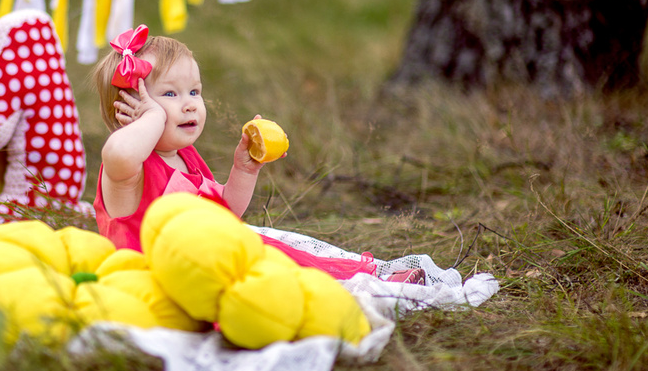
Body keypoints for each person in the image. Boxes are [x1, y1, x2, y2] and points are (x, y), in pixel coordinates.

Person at [91, 25, 425, 284]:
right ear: (127, 110)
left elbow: (226, 211)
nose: (190, 103)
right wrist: (153, 117)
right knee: (269, 274)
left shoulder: (186, 156)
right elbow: (116, 152)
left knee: (286, 263)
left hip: (207, 266)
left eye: (194, 91)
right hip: (154, 279)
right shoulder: (129, 169)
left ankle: (371, 283)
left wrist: (243, 171)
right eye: (169, 94)